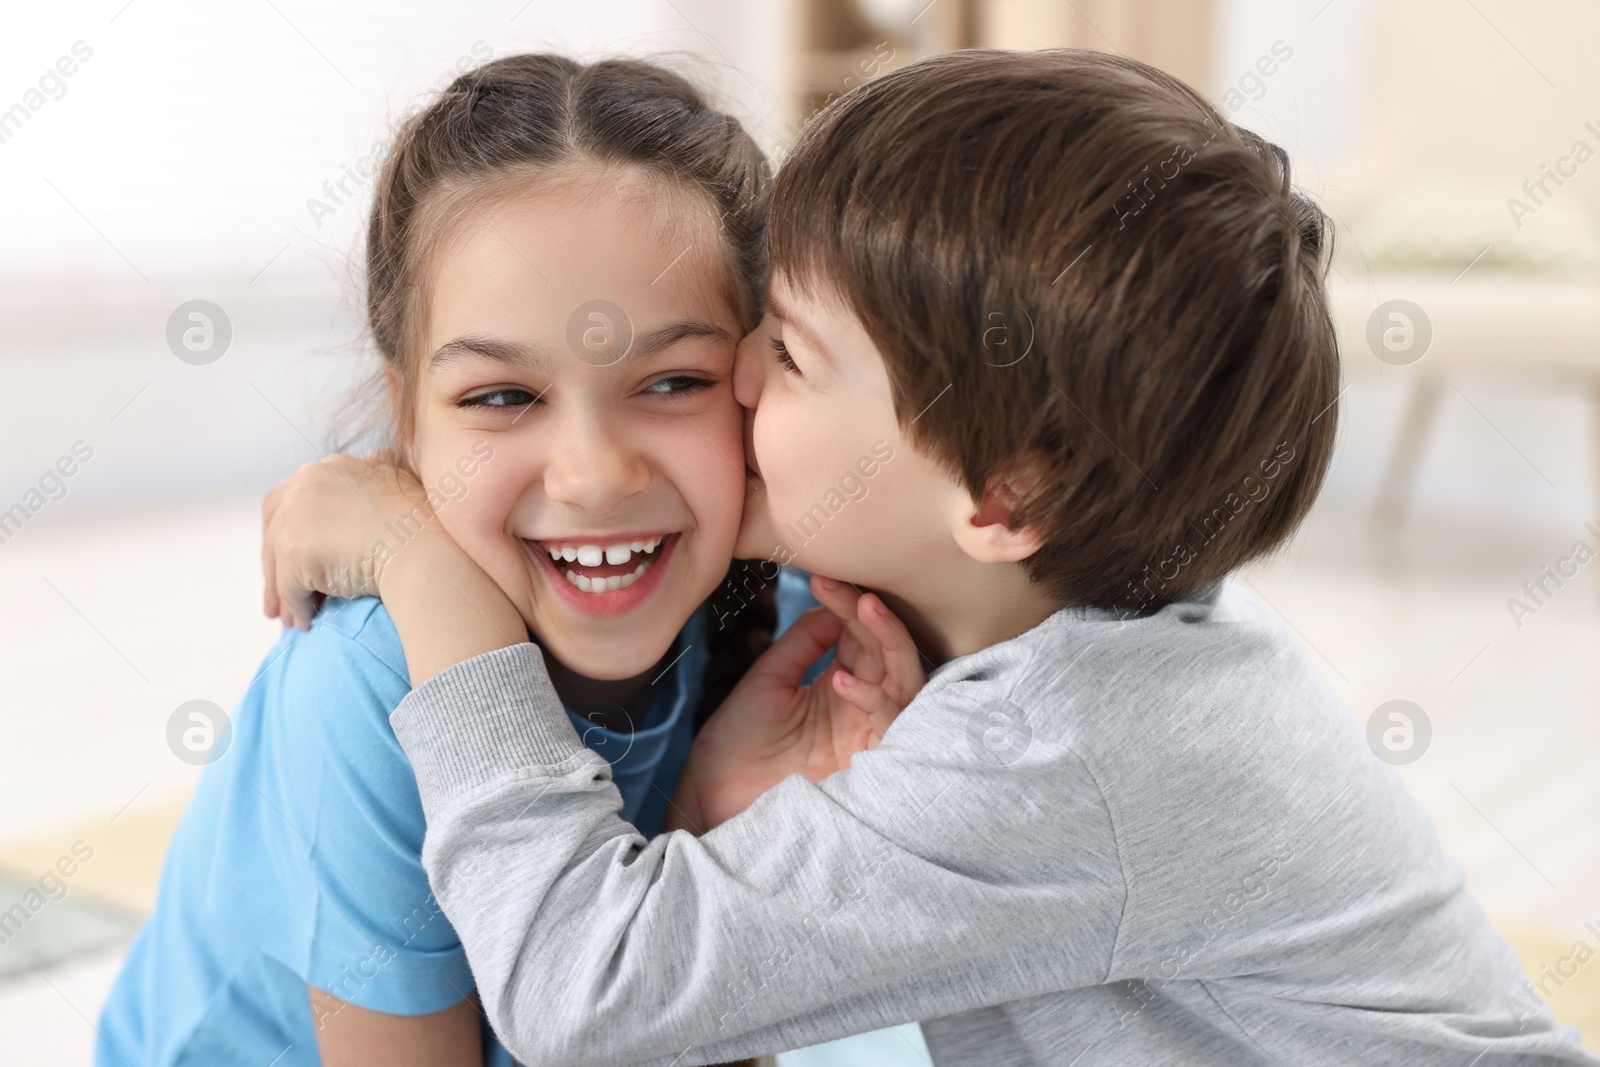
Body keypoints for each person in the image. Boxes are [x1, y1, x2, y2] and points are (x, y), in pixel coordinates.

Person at [260, 48, 1599, 1066]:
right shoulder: (1059, 627)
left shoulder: (1060, 749)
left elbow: (586, 993)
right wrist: (732, 803)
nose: (729, 371)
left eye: (786, 350)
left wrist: (434, 581)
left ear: (1002, 494)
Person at [96, 53, 915, 1067]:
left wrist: (706, 820)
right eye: (502, 396)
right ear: (406, 418)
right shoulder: (360, 688)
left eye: (672, 382)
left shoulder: (784, 616)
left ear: (757, 378)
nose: (593, 474)